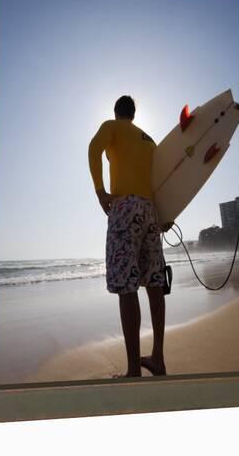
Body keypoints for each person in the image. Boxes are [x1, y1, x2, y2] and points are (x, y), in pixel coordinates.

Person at [88, 95, 172, 378]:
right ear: (134, 114)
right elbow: (162, 179)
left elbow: (92, 149)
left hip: (125, 208)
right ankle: (157, 358)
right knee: (154, 283)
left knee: (127, 286)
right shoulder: (149, 139)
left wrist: (100, 192)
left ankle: (134, 368)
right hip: (150, 211)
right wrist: (166, 215)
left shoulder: (110, 126)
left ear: (116, 112)